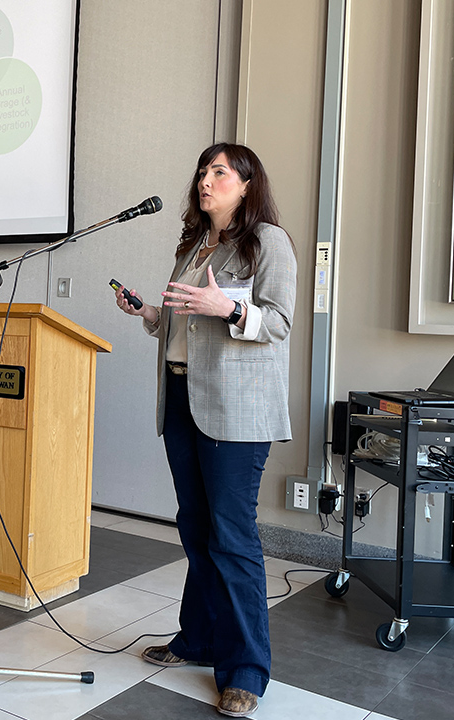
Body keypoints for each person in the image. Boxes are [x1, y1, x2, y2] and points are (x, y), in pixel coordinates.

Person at [113, 143, 296, 718]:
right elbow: (184, 324)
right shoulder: (194, 246)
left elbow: (281, 323)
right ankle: (196, 637)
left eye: (219, 171)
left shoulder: (268, 242)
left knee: (231, 535)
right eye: (202, 171)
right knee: (194, 527)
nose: (205, 179)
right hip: (183, 399)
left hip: (236, 411)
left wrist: (230, 309)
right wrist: (149, 314)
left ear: (246, 184)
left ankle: (245, 668)